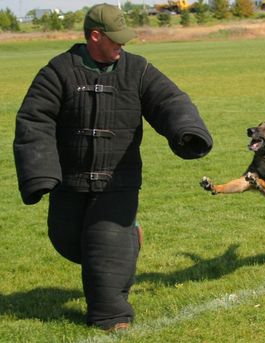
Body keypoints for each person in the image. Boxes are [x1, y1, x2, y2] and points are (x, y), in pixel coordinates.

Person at [13, 3, 212, 331]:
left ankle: (111, 315)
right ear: (95, 36)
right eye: (116, 39)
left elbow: (169, 101)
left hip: (118, 181)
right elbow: (35, 119)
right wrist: (39, 172)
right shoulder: (59, 71)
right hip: (70, 180)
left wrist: (186, 130)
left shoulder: (138, 70)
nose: (123, 45)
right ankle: (130, 238)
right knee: (67, 240)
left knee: (104, 247)